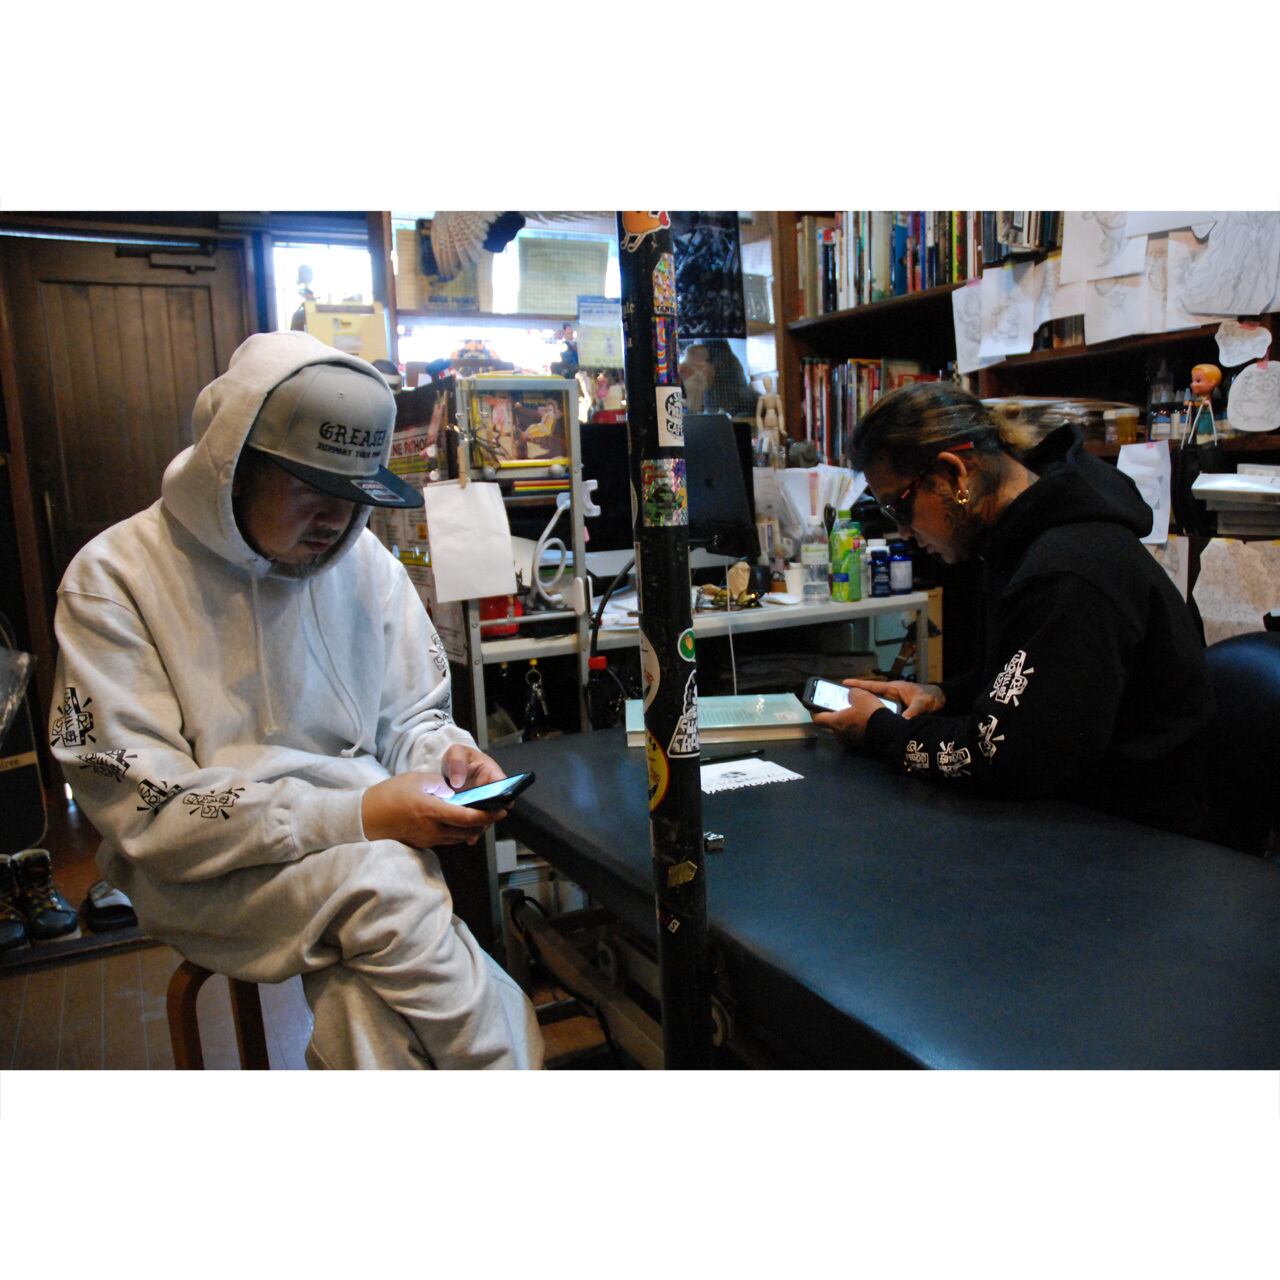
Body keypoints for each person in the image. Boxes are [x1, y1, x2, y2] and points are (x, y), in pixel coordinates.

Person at [49, 330, 543, 1069]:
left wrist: (447, 759)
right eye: (312, 491)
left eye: (353, 496)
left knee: (365, 988)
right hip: (200, 870)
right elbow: (149, 810)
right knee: (387, 887)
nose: (337, 521)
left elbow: (412, 714)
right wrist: (358, 815)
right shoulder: (114, 579)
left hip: (360, 852)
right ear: (232, 462)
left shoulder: (365, 563)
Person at [811, 381, 1215, 839]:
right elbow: (1026, 683)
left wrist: (880, 732)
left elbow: (1004, 757)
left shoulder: (1067, 572)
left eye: (898, 508)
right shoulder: (1021, 541)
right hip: (1075, 813)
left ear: (953, 474)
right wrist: (942, 695)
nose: (903, 532)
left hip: (1134, 838)